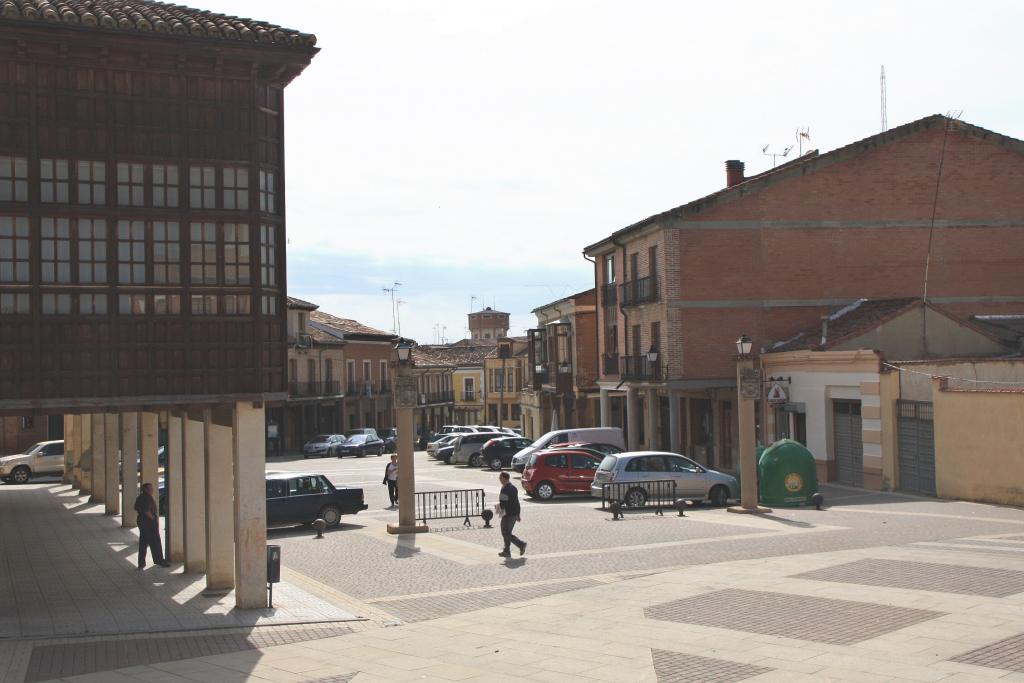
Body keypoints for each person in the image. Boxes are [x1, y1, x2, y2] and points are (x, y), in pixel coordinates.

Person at [134, 482, 170, 569]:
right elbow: (146, 510)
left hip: (142, 522)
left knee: (143, 543)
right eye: (150, 489)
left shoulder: (140, 497)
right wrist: (153, 518)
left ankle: (141, 563)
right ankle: (159, 560)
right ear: (145, 490)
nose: (152, 490)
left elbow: (136, 507)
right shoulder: (146, 498)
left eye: (152, 488)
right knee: (155, 541)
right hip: (148, 523)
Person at [497, 471, 526, 558]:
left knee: (505, 532)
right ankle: (506, 551)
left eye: (500, 477)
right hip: (513, 514)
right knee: (507, 532)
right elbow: (516, 502)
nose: (499, 479)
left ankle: (521, 544)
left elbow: (503, 503)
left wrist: (499, 509)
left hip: (507, 514)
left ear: (504, 478)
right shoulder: (513, 487)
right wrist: (518, 514)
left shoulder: (505, 488)